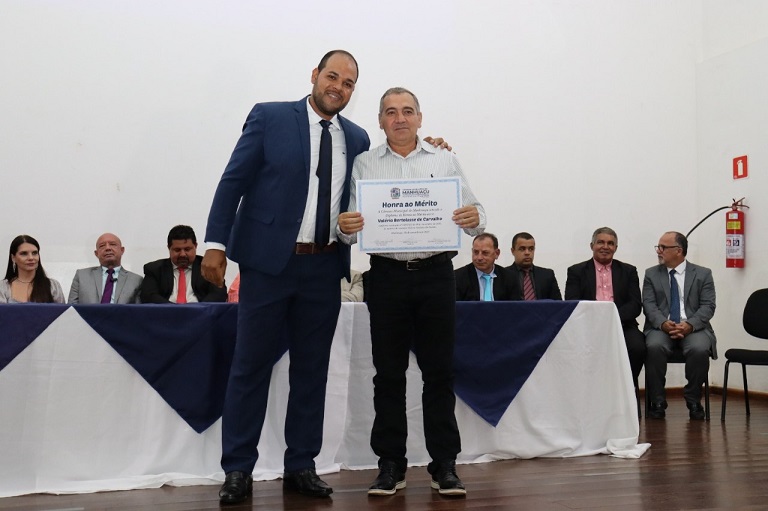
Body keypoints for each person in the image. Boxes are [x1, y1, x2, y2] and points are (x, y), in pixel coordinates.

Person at [201, 50, 371, 505]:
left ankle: (301, 465)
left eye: (348, 83)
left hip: (324, 267)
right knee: (250, 367)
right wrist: (215, 243)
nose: (338, 87)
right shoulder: (270, 117)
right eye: (332, 76)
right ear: (315, 75)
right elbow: (233, 181)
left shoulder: (358, 138)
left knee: (312, 372)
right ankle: (238, 468)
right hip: (267, 266)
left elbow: (365, 196)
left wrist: (431, 148)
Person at [338, 87, 485, 497]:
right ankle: (391, 464)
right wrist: (344, 228)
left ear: (420, 118)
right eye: (390, 112)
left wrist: (473, 217)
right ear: (380, 121)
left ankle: (444, 465)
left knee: (439, 372)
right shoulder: (365, 163)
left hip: (437, 275)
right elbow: (348, 227)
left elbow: (477, 217)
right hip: (386, 278)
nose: (399, 118)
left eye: (407, 111)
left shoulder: (444, 159)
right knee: (388, 375)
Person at [643, 231, 716, 421]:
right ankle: (657, 401)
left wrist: (689, 324)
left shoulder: (703, 274)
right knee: (654, 346)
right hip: (661, 327)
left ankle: (693, 399)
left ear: (678, 250)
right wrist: (663, 323)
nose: (658, 251)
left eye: (663, 247)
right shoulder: (651, 274)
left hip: (693, 327)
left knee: (699, 349)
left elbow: (708, 306)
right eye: (658, 247)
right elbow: (649, 305)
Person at [564, 227, 646, 386]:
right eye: (600, 242)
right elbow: (572, 302)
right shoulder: (576, 271)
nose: (605, 247)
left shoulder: (629, 271)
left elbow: (635, 304)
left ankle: (626, 388)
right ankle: (589, 389)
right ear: (592, 246)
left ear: (616, 248)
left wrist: (612, 318)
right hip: (587, 326)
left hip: (622, 325)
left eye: (610, 243)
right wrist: (598, 319)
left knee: (638, 347)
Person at [141, 225, 226, 304]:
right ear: (169, 248)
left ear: (195, 246)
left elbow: (218, 295)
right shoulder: (154, 269)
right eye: (177, 250)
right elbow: (148, 296)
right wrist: (176, 311)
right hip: (166, 313)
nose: (182, 254)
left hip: (200, 313)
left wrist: (196, 310)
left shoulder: (208, 267)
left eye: (187, 249)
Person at [68, 233, 142, 304]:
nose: (108, 248)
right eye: (102, 246)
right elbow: (71, 308)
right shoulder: (81, 276)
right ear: (96, 253)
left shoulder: (136, 280)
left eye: (112, 244)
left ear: (122, 250)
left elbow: (138, 310)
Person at [1, 234, 65, 303]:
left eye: (34, 253)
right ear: (13, 258)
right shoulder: (3, 287)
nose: (31, 258)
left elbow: (62, 309)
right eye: (24, 253)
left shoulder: (53, 286)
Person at [455, 233, 518, 301]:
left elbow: (515, 306)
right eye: (476, 252)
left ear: (497, 253)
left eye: (485, 253)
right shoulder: (458, 277)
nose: (479, 258)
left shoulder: (510, 278)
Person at [506, 232, 562, 300]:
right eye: (522, 249)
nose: (527, 253)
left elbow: (558, 303)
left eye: (531, 249)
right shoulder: (504, 275)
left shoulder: (547, 275)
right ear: (513, 251)